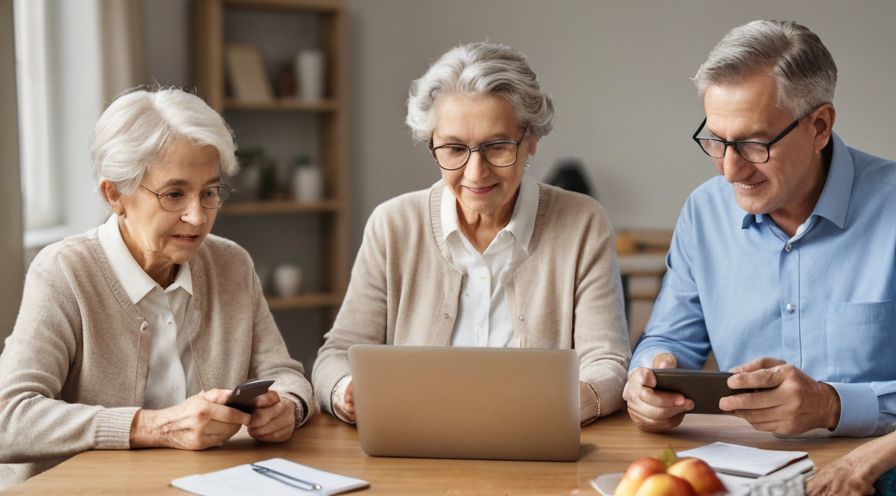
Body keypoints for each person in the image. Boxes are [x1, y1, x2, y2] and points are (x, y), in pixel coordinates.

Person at [0, 88, 315, 488]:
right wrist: (156, 426)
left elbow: (285, 374)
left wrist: (288, 406)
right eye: (174, 194)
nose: (197, 216)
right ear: (115, 194)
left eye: (210, 192)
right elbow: (9, 419)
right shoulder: (64, 272)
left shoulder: (230, 263)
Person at [312, 42, 631, 426]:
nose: (475, 173)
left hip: (536, 443)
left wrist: (571, 401)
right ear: (432, 143)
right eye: (454, 149)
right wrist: (347, 389)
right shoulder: (392, 225)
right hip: (417, 446)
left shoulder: (582, 222)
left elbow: (608, 362)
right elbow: (336, 356)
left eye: (497, 146)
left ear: (530, 139)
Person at [624, 19, 896, 438]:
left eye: (755, 143)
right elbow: (669, 340)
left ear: (820, 126)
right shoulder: (704, 212)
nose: (731, 169)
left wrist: (830, 405)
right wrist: (650, 378)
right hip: (742, 466)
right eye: (716, 140)